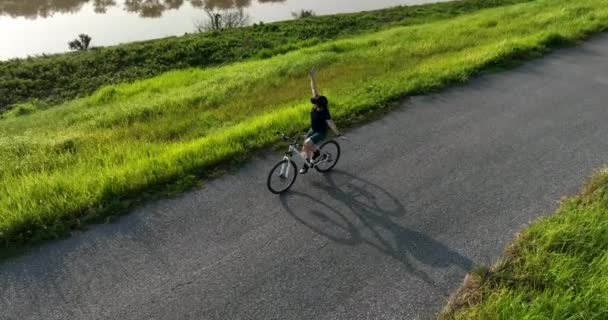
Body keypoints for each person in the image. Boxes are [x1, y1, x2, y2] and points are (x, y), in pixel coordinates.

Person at [300, 67, 342, 174]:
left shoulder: (324, 113)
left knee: (307, 143)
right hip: (313, 129)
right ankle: (318, 155)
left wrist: (338, 134)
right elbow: (314, 89)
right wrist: (312, 77)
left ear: (320, 105)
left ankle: (306, 165)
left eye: (315, 102)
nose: (314, 102)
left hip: (321, 132)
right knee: (305, 146)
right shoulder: (317, 103)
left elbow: (331, 124)